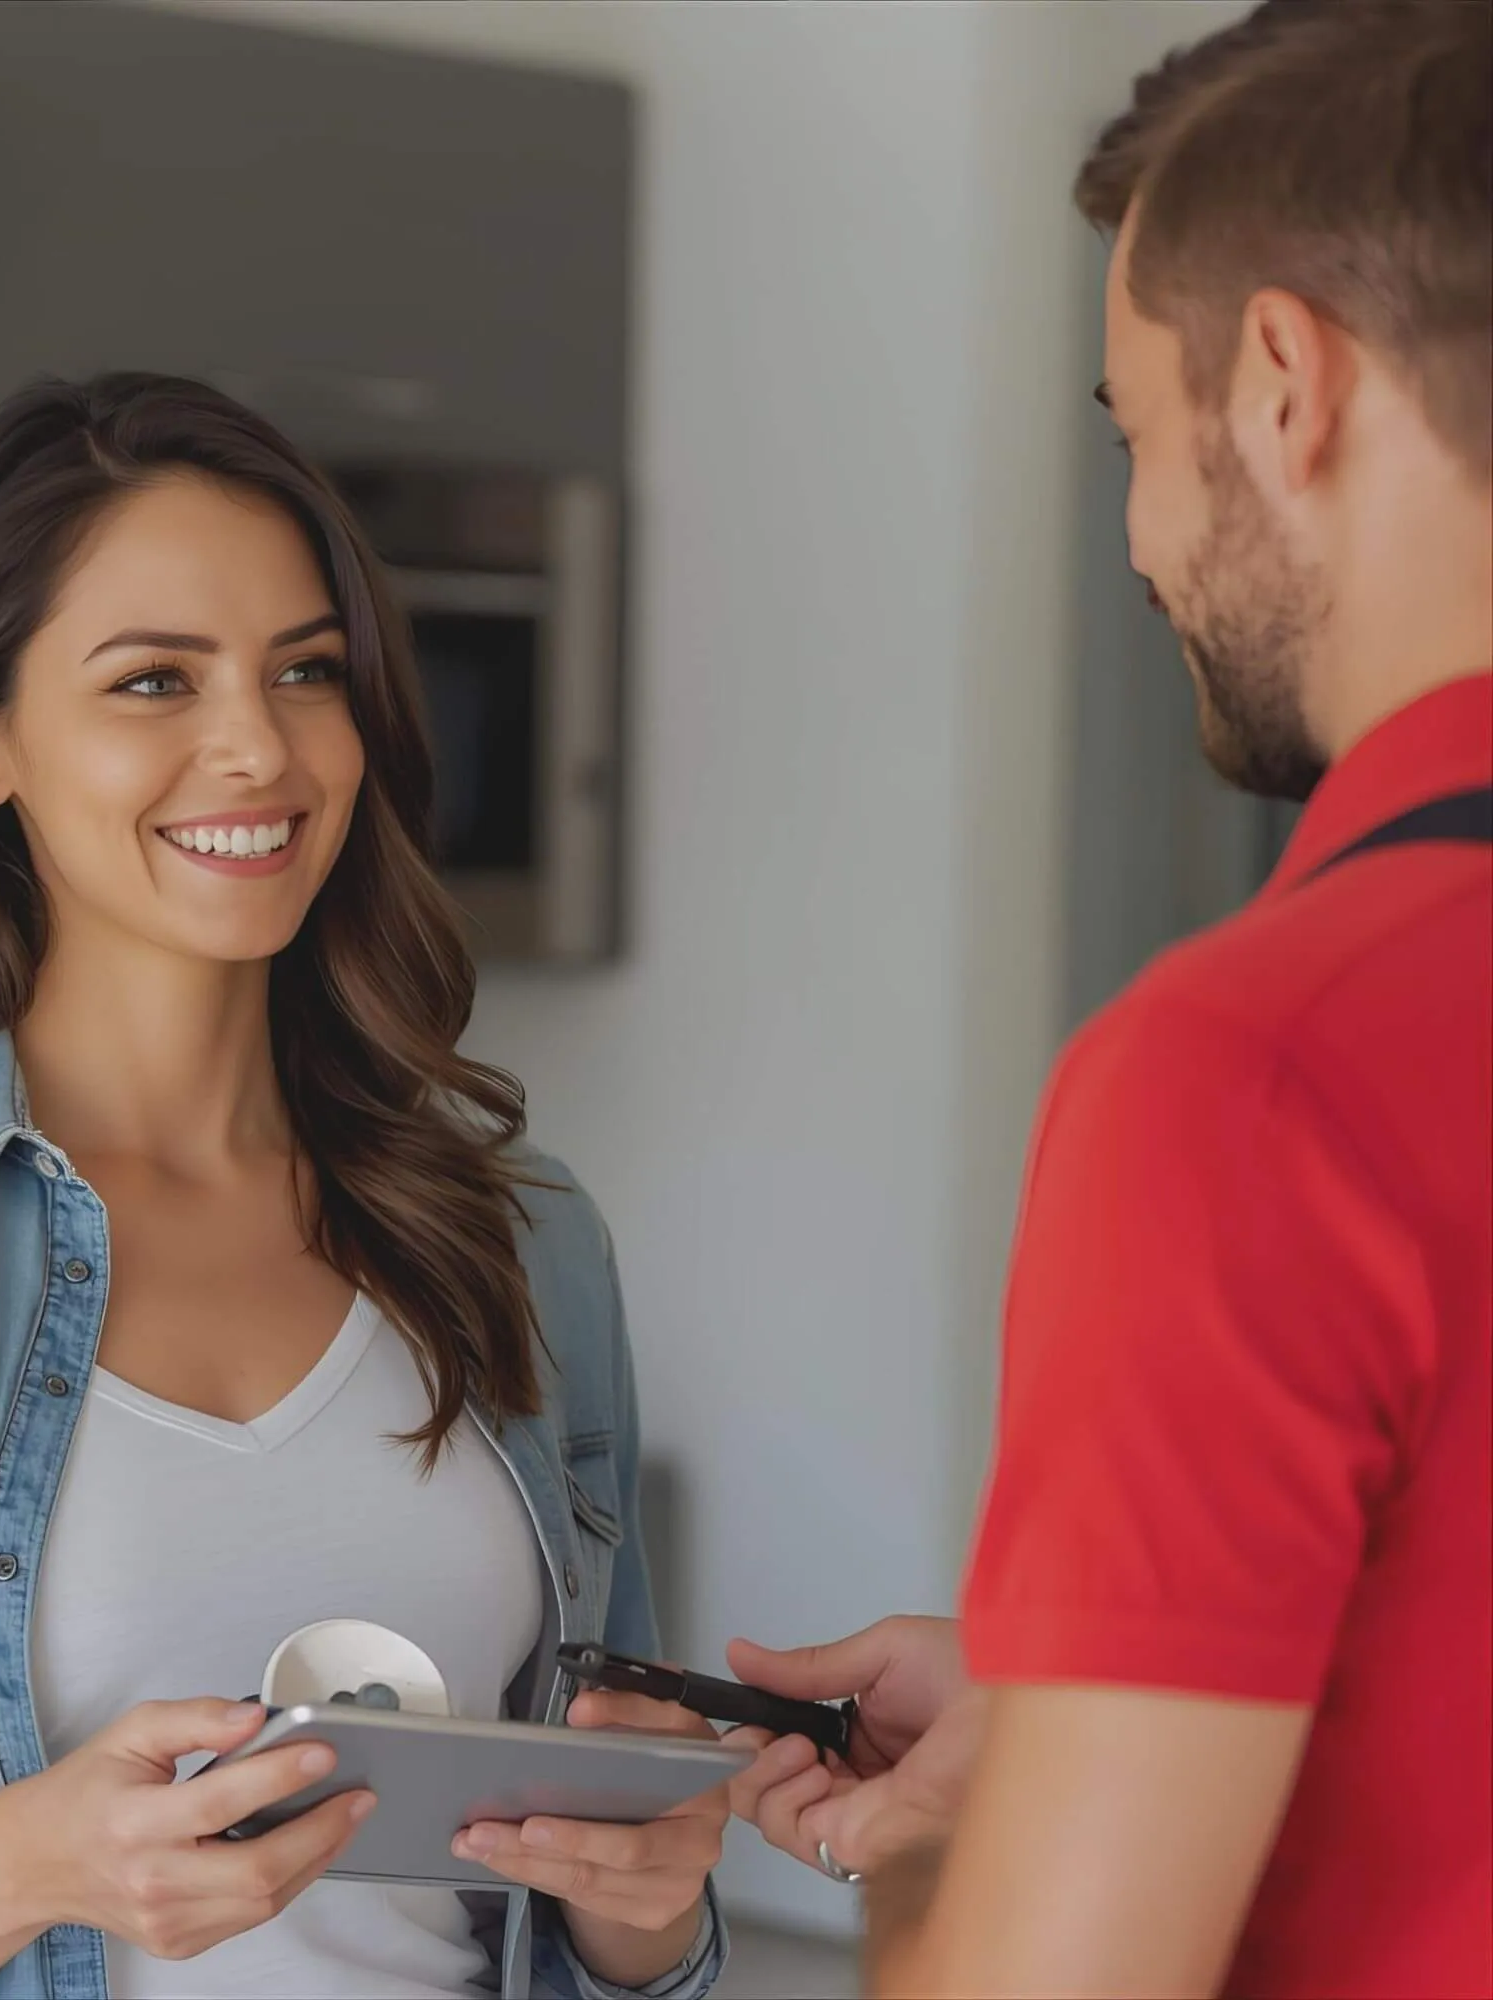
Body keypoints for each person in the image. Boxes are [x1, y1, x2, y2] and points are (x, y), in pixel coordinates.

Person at [0, 375, 729, 2000]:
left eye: (307, 670)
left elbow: (592, 1933)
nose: (259, 746)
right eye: (155, 679)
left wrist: (640, 1910)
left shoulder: (521, 1235)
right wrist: (32, 1866)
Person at [731, 2, 1492, 1994]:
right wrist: (1114, 1682)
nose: (1147, 543)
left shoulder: (1254, 1071)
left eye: (1131, 435)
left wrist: (962, 1840)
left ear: (1278, 385)